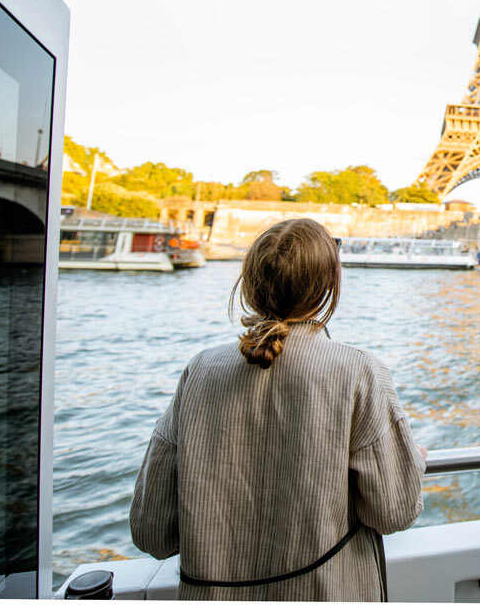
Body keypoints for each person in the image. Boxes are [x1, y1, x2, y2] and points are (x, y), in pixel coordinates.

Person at [129, 218, 425, 600]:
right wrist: (411, 462)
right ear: (329, 287)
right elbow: (395, 512)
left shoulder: (199, 370)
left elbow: (151, 532)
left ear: (248, 284)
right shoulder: (360, 372)